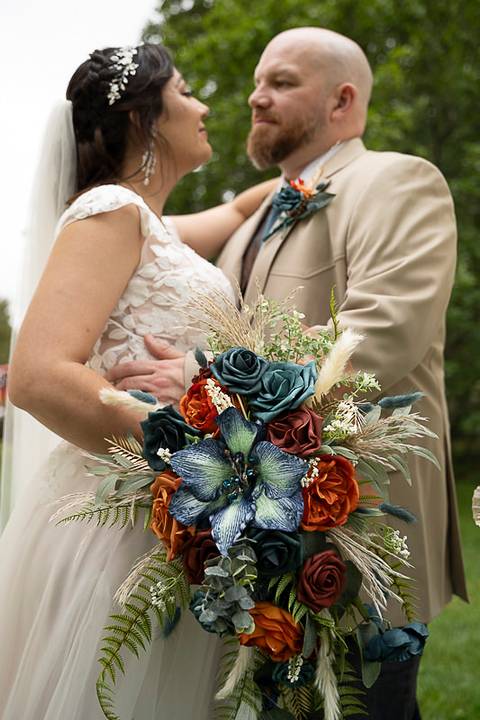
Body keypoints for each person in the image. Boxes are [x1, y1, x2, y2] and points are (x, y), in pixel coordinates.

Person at [108, 28, 468, 720]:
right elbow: (135, 236)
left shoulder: (397, 180)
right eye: (256, 82)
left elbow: (377, 336)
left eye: (281, 82)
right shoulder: (252, 218)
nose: (254, 96)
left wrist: (203, 374)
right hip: (257, 539)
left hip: (362, 536)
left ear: (342, 99)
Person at [0, 42, 277, 719]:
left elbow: (238, 213)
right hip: (122, 513)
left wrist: (307, 177)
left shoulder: (154, 227)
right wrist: (179, 432)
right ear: (144, 118)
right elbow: (37, 376)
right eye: (186, 91)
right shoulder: (108, 214)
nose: (207, 105)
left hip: (184, 507)